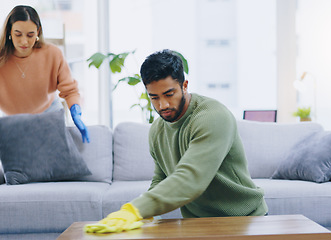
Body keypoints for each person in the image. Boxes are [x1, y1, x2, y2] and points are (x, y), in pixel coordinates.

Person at [84, 49, 268, 233]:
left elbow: (190, 179)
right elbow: (161, 179)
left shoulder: (213, 116)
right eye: (154, 97)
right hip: (197, 223)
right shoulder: (157, 130)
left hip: (244, 221)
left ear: (184, 85)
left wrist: (134, 209)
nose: (162, 105)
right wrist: (145, 215)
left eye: (169, 94)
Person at [0, 5, 89, 143]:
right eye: (18, 34)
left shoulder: (53, 54)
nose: (24, 41)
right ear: (9, 32)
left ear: (38, 32)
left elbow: (70, 90)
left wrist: (75, 111)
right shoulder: (1, 59)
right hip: (13, 122)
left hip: (49, 116)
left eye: (30, 35)